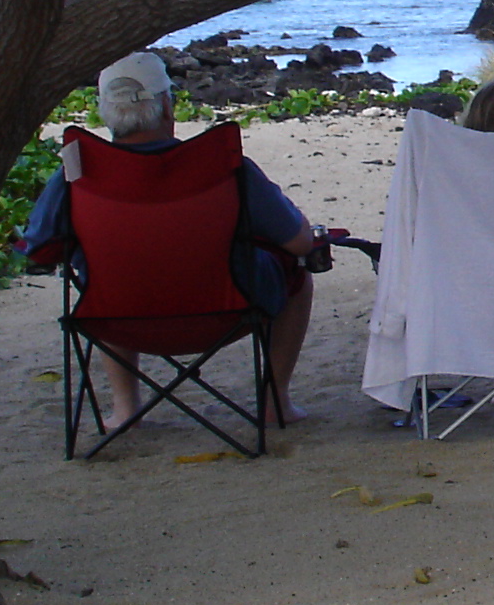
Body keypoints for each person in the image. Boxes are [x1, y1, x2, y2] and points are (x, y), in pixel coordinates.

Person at [20, 52, 324, 426]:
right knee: (298, 272)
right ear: (167, 106)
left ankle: (125, 407)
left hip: (117, 317)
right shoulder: (222, 165)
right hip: (226, 310)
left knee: (101, 272)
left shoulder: (76, 173)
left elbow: (39, 249)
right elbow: (300, 243)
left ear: (104, 114)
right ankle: (275, 400)